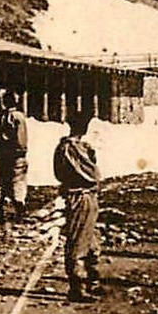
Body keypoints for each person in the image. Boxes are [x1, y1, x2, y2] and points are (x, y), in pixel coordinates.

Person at [53, 109, 103, 303]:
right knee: (79, 240)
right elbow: (93, 174)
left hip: (82, 195)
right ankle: (78, 286)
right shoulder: (75, 148)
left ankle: (91, 280)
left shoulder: (65, 147)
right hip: (81, 195)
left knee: (89, 239)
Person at [0, 90, 28, 222]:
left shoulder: (1, 118)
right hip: (14, 155)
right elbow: (21, 139)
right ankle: (17, 213)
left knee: (6, 183)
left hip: (6, 155)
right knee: (16, 183)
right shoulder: (17, 117)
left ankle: (4, 212)